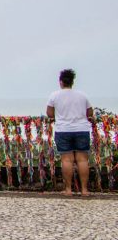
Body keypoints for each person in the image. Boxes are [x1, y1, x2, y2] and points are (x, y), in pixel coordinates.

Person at [47, 68, 94, 196]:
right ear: (72, 82)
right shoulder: (82, 95)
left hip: (63, 130)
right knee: (82, 160)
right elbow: (90, 112)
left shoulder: (54, 95)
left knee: (67, 160)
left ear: (61, 82)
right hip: (81, 129)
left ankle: (68, 190)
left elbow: (50, 113)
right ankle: (84, 190)